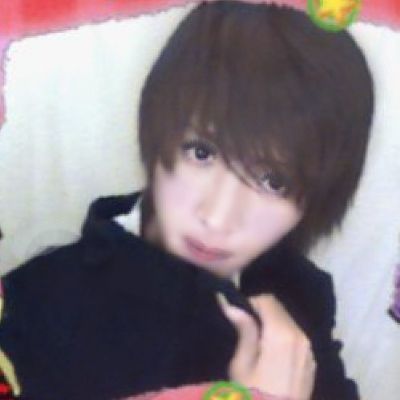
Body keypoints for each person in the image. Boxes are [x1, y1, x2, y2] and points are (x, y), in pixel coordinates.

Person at [0, 1, 373, 400]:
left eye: (274, 181)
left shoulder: (299, 294)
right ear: (157, 127)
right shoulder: (35, 304)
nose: (217, 217)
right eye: (202, 152)